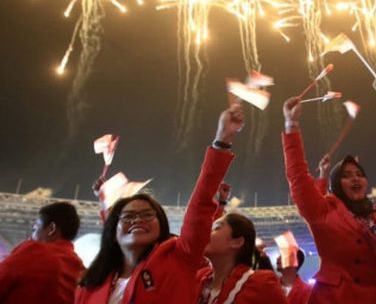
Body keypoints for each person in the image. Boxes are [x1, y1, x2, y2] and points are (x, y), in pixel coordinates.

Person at [75, 103, 242, 304]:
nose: (137, 220)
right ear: (113, 230)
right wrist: (104, 199)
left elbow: (199, 210)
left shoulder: (179, 260)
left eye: (147, 215)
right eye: (129, 217)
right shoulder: (92, 281)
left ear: (161, 225)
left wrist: (222, 140)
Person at [282, 96, 376, 304]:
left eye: (359, 174)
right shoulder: (325, 211)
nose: (355, 178)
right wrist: (291, 126)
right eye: (346, 175)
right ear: (336, 185)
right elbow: (299, 179)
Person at [0, 201, 83, 304]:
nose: (31, 237)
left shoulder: (33, 250)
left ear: (51, 228)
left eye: (35, 229)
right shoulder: (78, 267)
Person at [196, 213, 287, 304]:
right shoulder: (199, 278)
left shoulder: (262, 283)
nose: (207, 232)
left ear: (237, 242)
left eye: (216, 228)